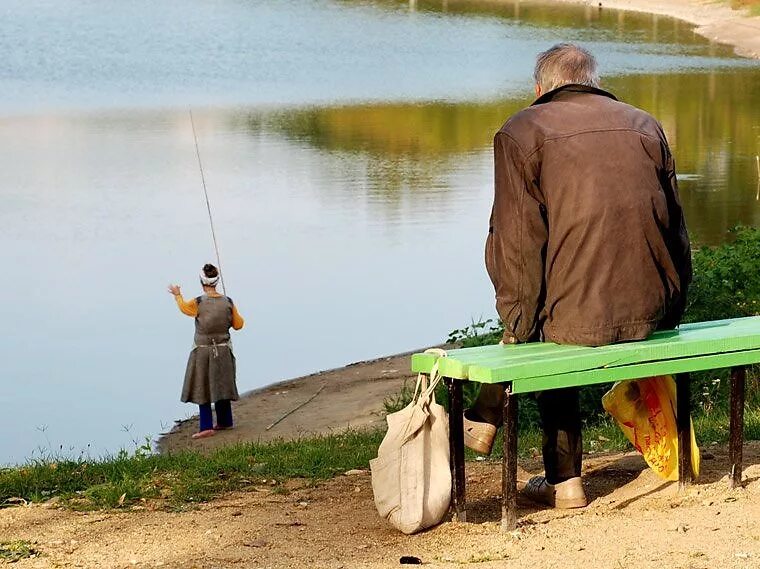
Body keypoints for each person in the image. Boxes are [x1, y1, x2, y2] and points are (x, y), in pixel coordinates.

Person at [464, 43, 692, 509]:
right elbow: (677, 228)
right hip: (652, 307)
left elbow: (517, 241)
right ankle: (486, 417)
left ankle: (562, 479)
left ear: (538, 89)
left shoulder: (521, 130)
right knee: (560, 307)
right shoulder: (645, 124)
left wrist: (516, 325)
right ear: (592, 80)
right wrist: (674, 304)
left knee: (548, 322)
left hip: (575, 318)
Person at [168, 264, 245, 439]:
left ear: (202, 282)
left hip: (202, 351)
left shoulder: (198, 302)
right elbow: (239, 325)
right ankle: (225, 421)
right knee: (222, 383)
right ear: (217, 281)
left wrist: (177, 295)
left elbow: (184, 308)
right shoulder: (228, 302)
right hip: (224, 350)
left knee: (201, 387)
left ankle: (206, 426)